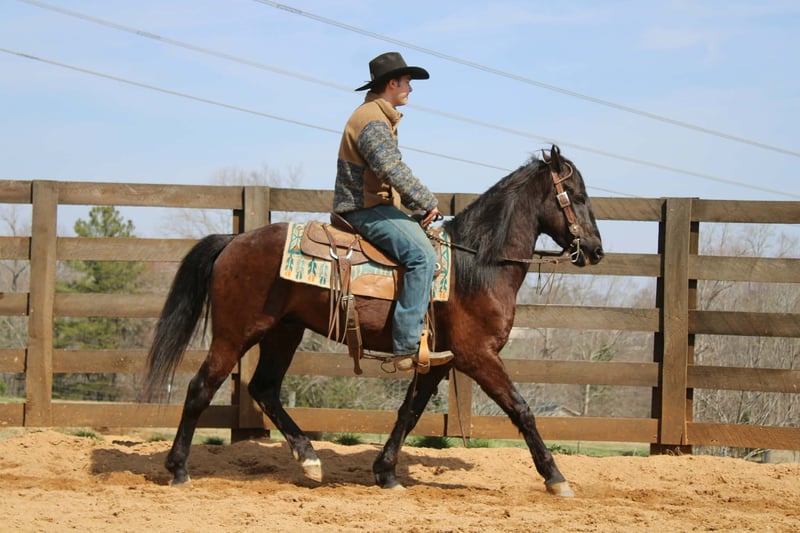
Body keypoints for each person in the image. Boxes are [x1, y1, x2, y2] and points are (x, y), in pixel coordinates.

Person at [333, 51, 453, 370]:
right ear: (392, 84)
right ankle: (407, 346)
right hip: (363, 208)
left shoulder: (377, 114)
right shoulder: (372, 119)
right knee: (423, 256)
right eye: (407, 82)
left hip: (373, 205)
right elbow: (390, 168)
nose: (410, 88)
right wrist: (425, 201)